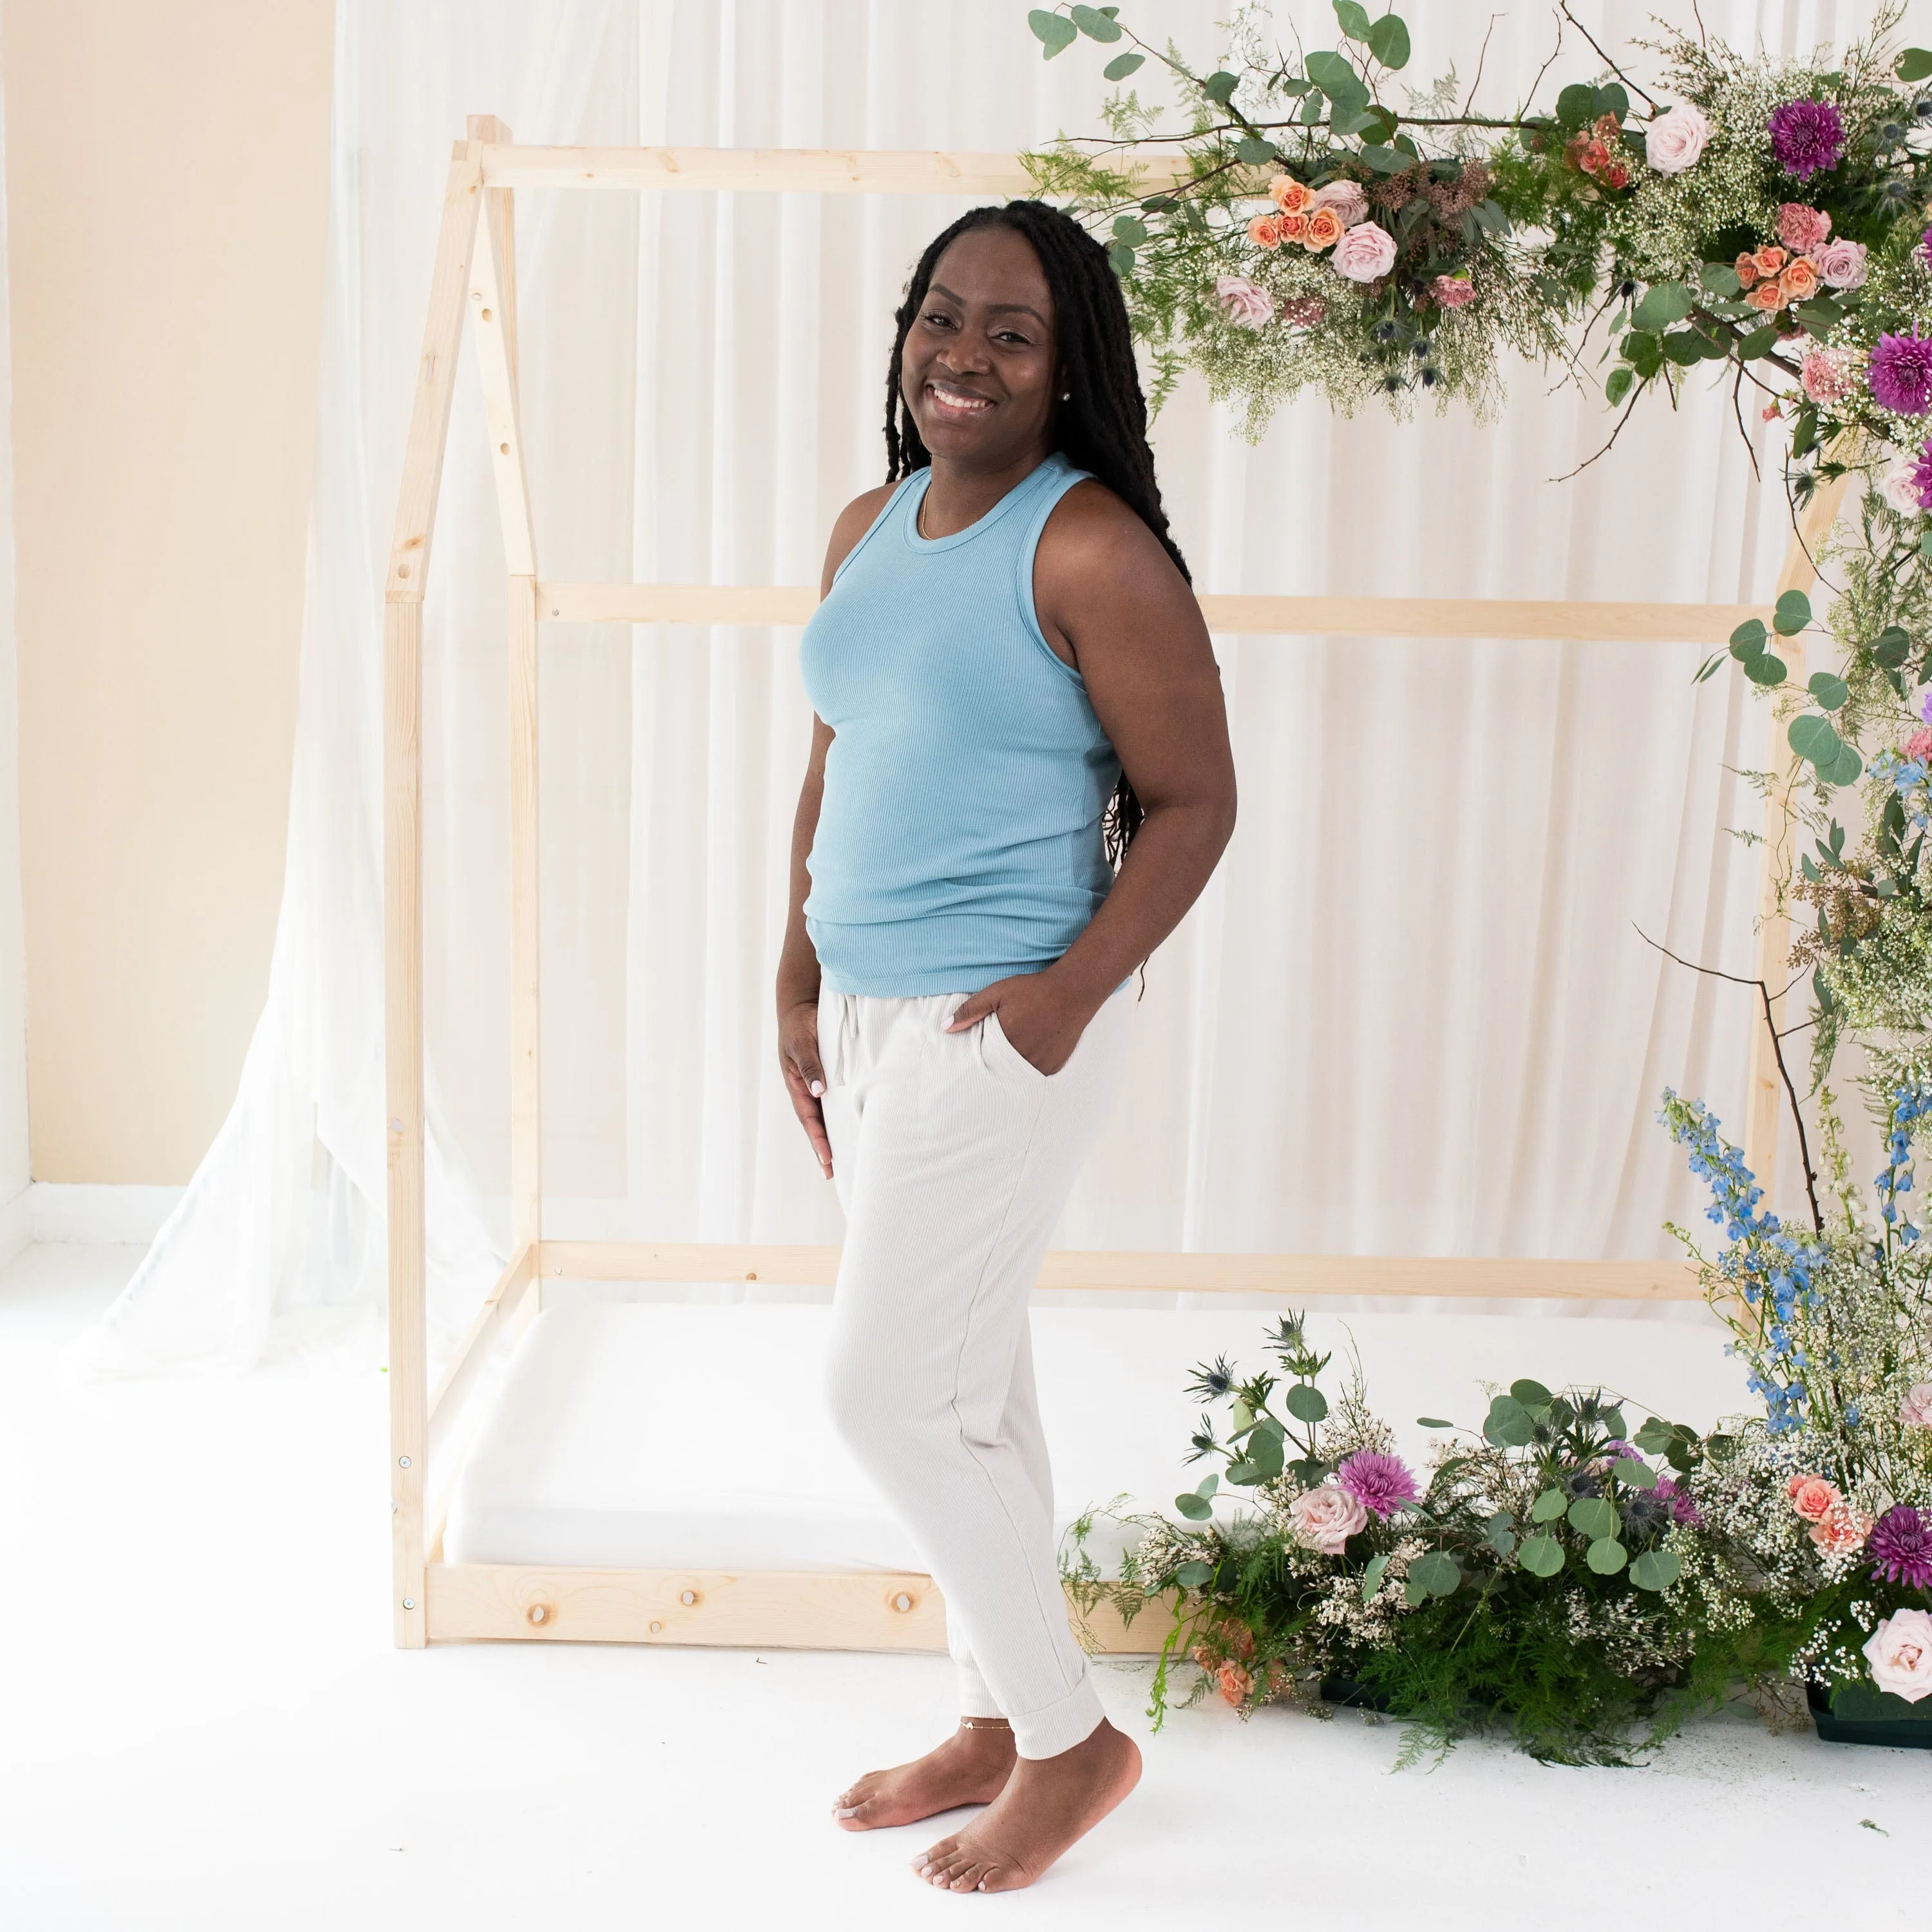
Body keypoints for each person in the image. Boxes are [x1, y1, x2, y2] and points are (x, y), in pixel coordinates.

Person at [774, 199, 1236, 1895]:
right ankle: (989, 1720)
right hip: (872, 1006)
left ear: (1068, 375)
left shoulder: (1091, 548)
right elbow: (843, 758)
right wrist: (791, 980)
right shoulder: (866, 527)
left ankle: (1069, 1742)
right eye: (942, 319)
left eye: (1013, 335)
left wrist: (1058, 999)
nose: (965, 356)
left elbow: (1198, 803)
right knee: (970, 1388)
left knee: (880, 1387)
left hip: (1008, 1016)